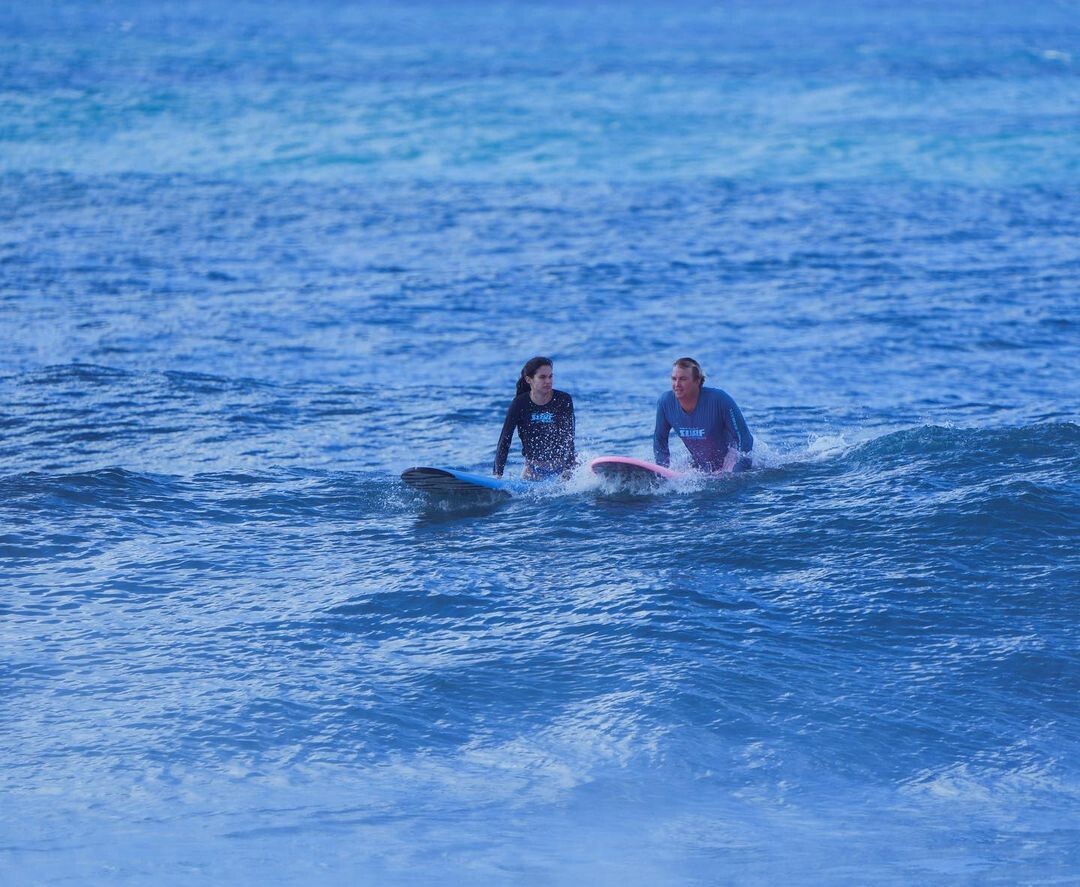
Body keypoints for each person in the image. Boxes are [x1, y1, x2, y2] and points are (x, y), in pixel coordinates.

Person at [654, 357, 753, 473]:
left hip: (730, 463)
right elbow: (660, 440)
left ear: (697, 381)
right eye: (674, 379)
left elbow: (745, 439)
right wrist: (662, 472)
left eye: (683, 379)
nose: (677, 384)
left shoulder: (720, 400)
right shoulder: (665, 403)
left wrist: (737, 473)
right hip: (701, 466)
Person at [493, 356, 576, 479]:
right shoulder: (519, 403)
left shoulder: (563, 400)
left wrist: (568, 470)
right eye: (542, 377)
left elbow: (569, 437)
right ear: (529, 379)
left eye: (550, 376)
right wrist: (498, 475)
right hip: (533, 471)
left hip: (563, 470)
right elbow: (505, 439)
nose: (548, 381)